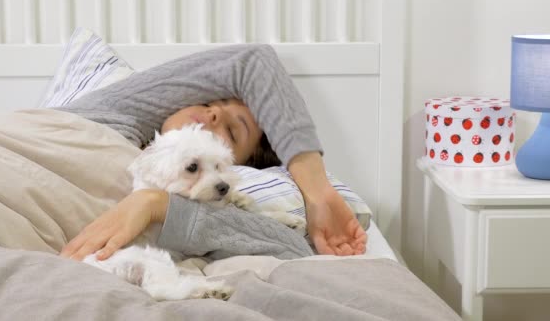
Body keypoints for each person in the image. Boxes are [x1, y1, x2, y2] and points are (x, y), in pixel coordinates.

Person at [57, 44, 367, 261]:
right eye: (206, 101)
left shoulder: (208, 199)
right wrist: (319, 190)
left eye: (233, 132)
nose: (215, 114)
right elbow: (250, 62)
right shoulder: (110, 114)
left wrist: (155, 204)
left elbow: (288, 247)